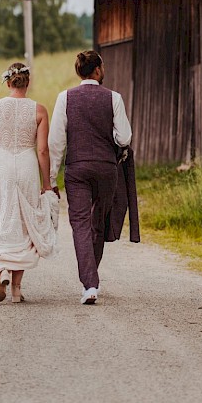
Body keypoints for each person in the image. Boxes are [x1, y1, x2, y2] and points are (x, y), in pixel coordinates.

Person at [49, 50, 132, 305]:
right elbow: (124, 138)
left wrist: (52, 178)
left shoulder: (65, 98)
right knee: (98, 223)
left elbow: (56, 142)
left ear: (79, 71)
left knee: (81, 224)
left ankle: (90, 283)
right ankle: (91, 280)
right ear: (97, 70)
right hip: (107, 169)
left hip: (77, 170)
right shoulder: (114, 98)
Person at [0, 62, 58, 303]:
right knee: (24, 221)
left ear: (7, 82)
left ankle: (1, 270)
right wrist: (47, 183)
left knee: (2, 216)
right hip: (26, 165)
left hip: (3, 164)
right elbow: (43, 150)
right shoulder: (40, 110)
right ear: (28, 83)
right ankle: (16, 289)